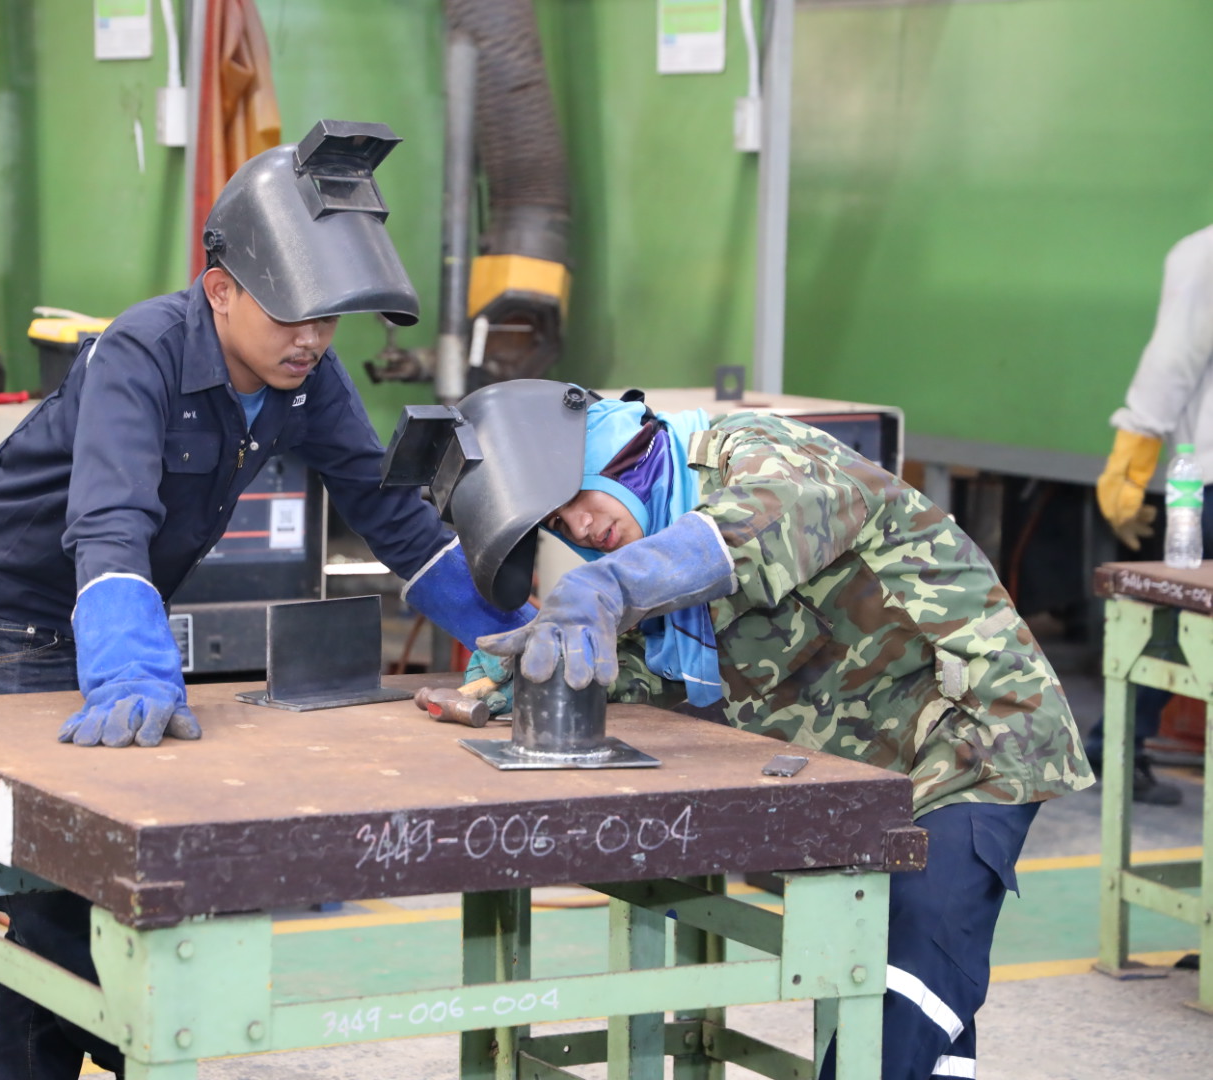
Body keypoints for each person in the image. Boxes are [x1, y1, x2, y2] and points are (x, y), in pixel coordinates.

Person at [0, 120, 533, 1080]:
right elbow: (111, 522)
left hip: (106, 614)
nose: (312, 340)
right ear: (220, 289)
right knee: (56, 884)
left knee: (103, 883)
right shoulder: (141, 351)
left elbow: (392, 514)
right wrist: (131, 666)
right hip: (5, 616)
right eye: (292, 316)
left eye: (328, 319)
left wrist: (513, 633)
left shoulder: (310, 380)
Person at [408, 379, 1093, 1080]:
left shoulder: (758, 454)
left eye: (572, 500)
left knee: (912, 975)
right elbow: (659, 669)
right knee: (921, 1009)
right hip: (865, 776)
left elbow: (745, 533)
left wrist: (607, 586)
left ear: (608, 451)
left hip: (971, 742)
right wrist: (540, 672)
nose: (578, 530)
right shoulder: (661, 554)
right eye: (557, 526)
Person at [1093, 225, 1213, 806]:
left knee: (1175, 630)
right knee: (1174, 629)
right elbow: (1172, 360)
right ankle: (1113, 746)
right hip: (1209, 479)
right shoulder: (1205, 253)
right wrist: (1132, 459)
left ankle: (1113, 745)